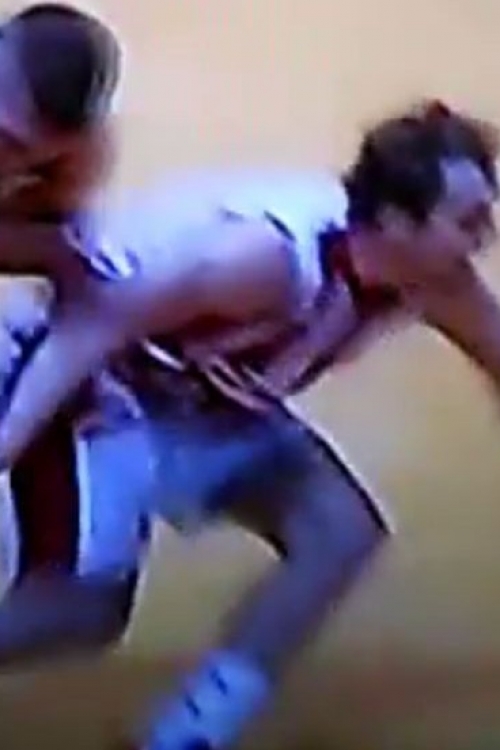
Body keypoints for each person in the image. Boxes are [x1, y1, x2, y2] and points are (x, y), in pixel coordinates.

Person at [0, 101, 499, 750]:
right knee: (83, 611)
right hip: (99, 378)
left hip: (204, 400)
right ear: (398, 222)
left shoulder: (435, 280)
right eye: (467, 221)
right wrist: (9, 440)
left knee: (339, 528)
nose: (486, 236)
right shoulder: (266, 260)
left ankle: (190, 734)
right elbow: (95, 321)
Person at [0, 2, 147, 665]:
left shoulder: (81, 152)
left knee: (58, 357)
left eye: (26, 152)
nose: (9, 159)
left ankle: (51, 578)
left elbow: (67, 263)